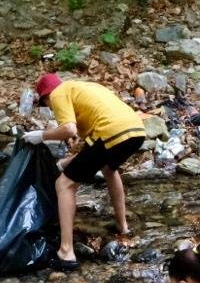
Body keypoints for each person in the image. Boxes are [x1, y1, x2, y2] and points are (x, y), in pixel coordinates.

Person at [23, 73, 146, 269]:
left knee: (63, 184)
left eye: (47, 105)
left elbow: (69, 130)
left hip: (110, 132)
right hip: (136, 130)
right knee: (109, 168)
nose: (51, 108)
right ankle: (123, 227)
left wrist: (42, 135)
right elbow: (95, 152)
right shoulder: (83, 87)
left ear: (46, 96)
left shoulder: (58, 94)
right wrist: (66, 163)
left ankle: (66, 251)